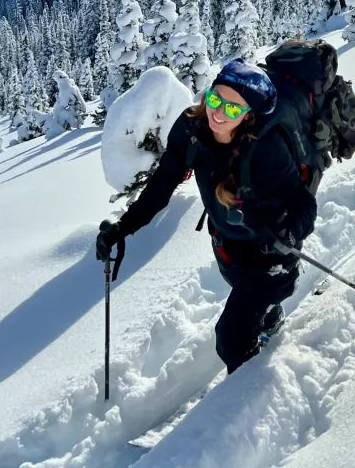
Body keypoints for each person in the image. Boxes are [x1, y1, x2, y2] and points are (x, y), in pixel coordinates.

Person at [96, 58, 317, 374]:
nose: (217, 113)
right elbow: (163, 183)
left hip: (271, 255)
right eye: (215, 99)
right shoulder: (191, 128)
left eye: (232, 109)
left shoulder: (266, 147)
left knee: (231, 341)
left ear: (248, 115)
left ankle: (251, 396)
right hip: (228, 240)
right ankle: (269, 316)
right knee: (242, 294)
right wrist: (123, 228)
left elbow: (304, 205)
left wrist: (287, 236)